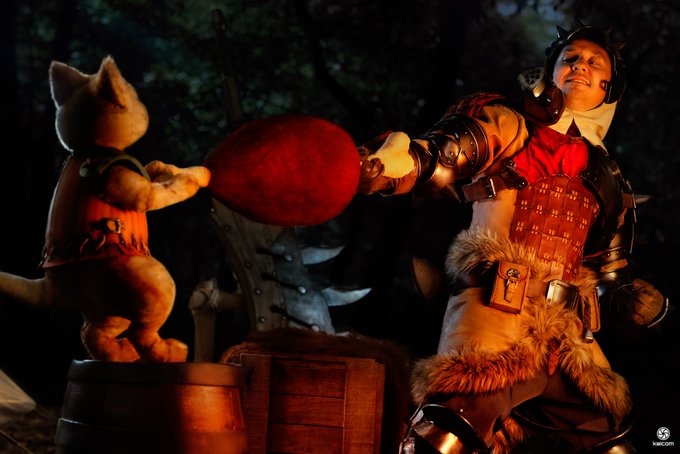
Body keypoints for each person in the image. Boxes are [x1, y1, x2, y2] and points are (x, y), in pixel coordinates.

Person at [357, 22, 669, 453]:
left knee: (610, 443)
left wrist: (628, 303)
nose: (579, 65)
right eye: (570, 58)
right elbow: (444, 155)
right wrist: (396, 164)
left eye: (593, 62)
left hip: (569, 342)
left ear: (608, 87)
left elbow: (606, 272)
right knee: (448, 435)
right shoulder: (508, 123)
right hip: (497, 314)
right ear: (551, 72)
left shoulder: (610, 179)